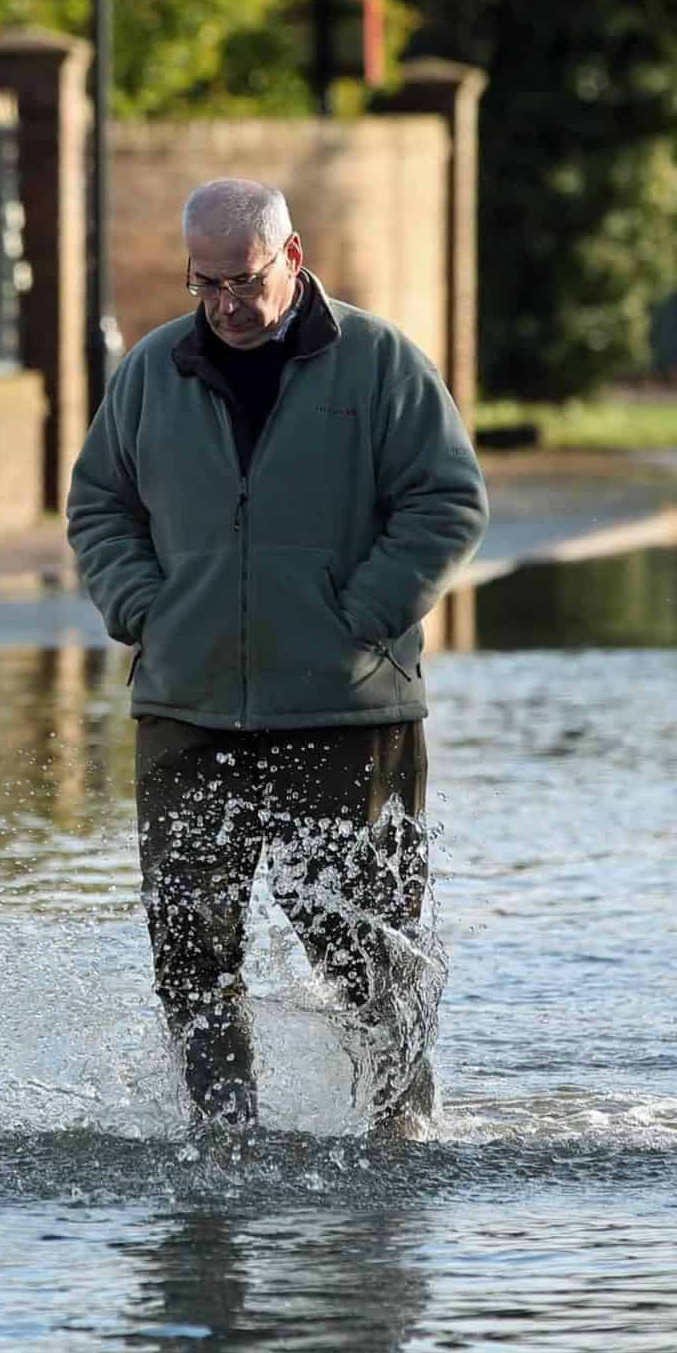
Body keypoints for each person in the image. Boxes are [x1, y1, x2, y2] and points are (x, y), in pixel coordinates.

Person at [66, 179, 488, 1137]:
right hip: (188, 703)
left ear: (291, 258)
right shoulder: (151, 373)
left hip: (345, 713)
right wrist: (144, 608)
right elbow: (100, 506)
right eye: (203, 283)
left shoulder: (378, 365)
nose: (222, 304)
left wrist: (363, 616)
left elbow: (449, 501)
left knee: (363, 951)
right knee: (188, 944)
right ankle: (226, 1137)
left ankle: (398, 1138)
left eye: (242, 281)